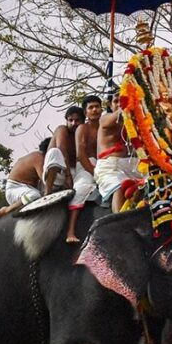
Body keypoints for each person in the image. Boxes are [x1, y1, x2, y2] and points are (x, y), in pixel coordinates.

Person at [93, 92, 141, 213]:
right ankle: (118, 219)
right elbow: (119, 114)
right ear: (109, 104)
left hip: (135, 166)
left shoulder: (136, 122)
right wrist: (128, 104)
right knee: (120, 186)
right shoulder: (105, 118)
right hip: (110, 167)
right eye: (116, 101)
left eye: (123, 100)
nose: (120, 103)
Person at [67, 95, 103, 243]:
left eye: (97, 106)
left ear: (101, 108)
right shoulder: (82, 128)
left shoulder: (106, 125)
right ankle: (70, 231)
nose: (94, 110)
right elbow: (81, 154)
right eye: (90, 107)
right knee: (82, 188)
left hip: (105, 164)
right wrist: (94, 172)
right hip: (86, 166)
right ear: (86, 112)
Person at [0, 138, 54, 221]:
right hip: (16, 189)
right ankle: (6, 210)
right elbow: (45, 181)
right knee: (35, 196)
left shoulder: (39, 157)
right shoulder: (38, 157)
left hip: (28, 188)